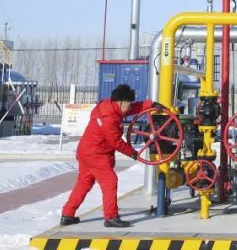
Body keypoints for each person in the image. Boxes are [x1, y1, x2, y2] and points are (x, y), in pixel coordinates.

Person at [60, 84, 163, 227]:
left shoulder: (112, 108)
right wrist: (132, 152)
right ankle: (111, 217)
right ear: (120, 102)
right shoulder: (109, 117)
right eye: (128, 104)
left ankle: (67, 214)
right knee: (110, 181)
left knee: (84, 183)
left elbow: (133, 108)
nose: (130, 107)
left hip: (87, 151)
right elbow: (115, 141)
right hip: (95, 154)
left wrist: (150, 104)